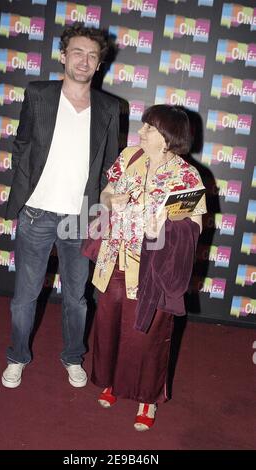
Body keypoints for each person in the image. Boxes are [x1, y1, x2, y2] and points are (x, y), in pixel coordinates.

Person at [1, 24, 120, 389]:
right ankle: (16, 357)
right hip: (36, 213)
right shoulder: (38, 94)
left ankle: (72, 357)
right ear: (64, 55)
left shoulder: (111, 107)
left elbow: (110, 167)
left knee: (77, 299)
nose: (85, 61)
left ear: (99, 64)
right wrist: (22, 197)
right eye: (78, 52)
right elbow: (21, 145)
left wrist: (105, 209)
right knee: (25, 296)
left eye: (93, 56)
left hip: (79, 219)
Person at [89, 104, 207, 431]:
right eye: (143, 126)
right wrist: (112, 201)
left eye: (149, 128)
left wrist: (163, 228)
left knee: (147, 336)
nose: (140, 132)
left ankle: (147, 398)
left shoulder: (186, 176)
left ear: (168, 138)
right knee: (109, 324)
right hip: (115, 259)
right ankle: (112, 381)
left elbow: (193, 226)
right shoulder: (130, 157)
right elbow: (106, 192)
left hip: (153, 268)